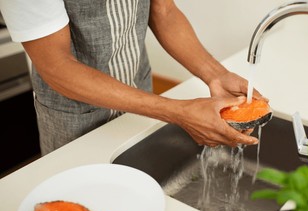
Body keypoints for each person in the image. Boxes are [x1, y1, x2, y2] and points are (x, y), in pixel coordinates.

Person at [0, 0, 265, 155]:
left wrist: (216, 75)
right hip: (73, 118)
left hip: (140, 89)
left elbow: (163, 10)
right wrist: (177, 111)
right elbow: (57, 66)